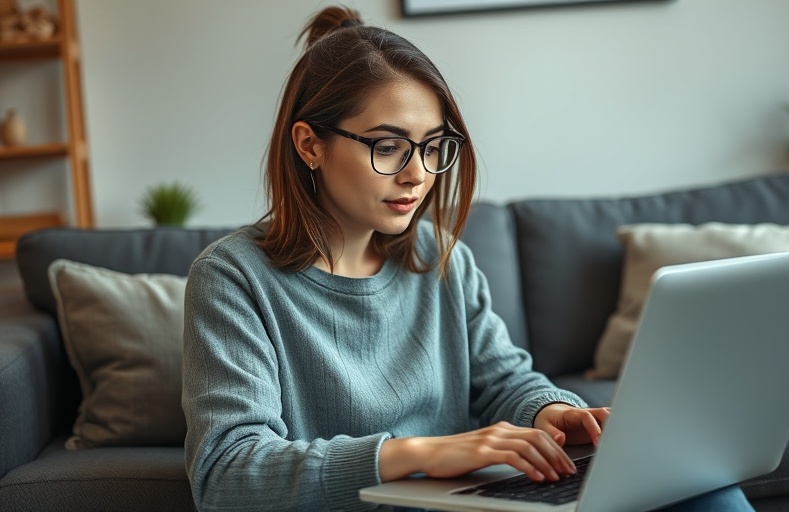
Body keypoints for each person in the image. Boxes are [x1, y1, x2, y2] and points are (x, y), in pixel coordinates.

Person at [181, 6, 754, 512]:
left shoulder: (439, 257)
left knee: (703, 488)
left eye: (433, 146)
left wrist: (550, 411)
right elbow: (227, 473)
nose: (418, 173)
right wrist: (423, 453)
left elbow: (504, 380)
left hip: (477, 504)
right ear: (310, 144)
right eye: (387, 146)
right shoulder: (232, 278)